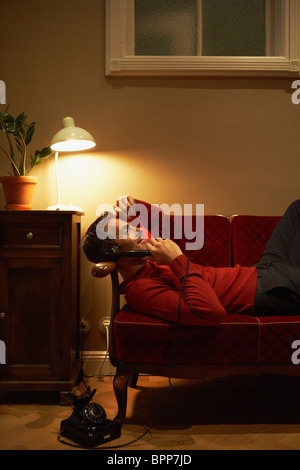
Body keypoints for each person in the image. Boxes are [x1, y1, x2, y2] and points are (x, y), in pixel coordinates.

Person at [83, 197, 300, 326]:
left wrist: (137, 206)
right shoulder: (140, 289)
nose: (138, 228)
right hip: (269, 290)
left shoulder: (150, 262)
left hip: (264, 269)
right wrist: (177, 261)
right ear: (112, 250)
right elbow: (210, 312)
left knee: (297, 208)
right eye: (127, 229)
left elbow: (173, 228)